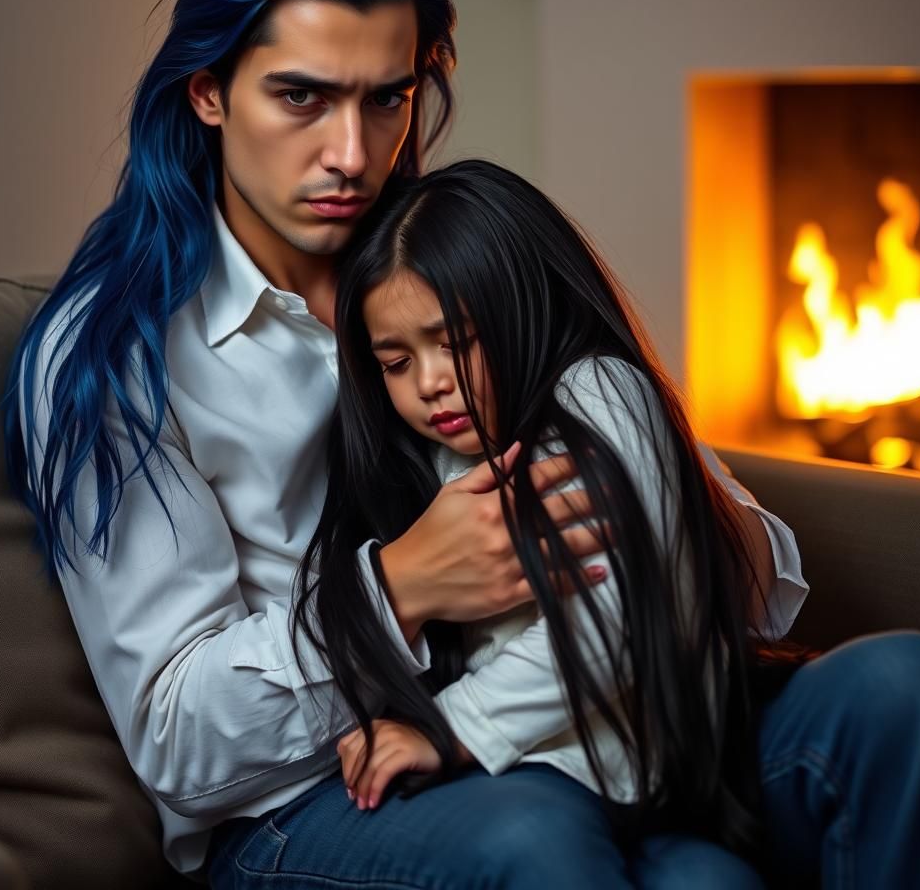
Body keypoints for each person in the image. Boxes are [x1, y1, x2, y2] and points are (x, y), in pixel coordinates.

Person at [4, 0, 920, 889]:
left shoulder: (462, 251)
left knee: (899, 686)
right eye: (302, 97)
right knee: (545, 835)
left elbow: (755, 573)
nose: (353, 155)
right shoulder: (115, 351)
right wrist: (403, 585)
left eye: (386, 99)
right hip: (318, 796)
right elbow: (175, 741)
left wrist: (657, 521)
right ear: (208, 92)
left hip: (610, 702)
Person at [294, 159, 773, 866]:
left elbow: (619, 616)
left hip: (639, 783)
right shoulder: (421, 457)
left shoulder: (601, 394)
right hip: (529, 787)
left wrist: (449, 726)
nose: (429, 384)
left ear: (520, 307)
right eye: (396, 363)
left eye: (454, 344)